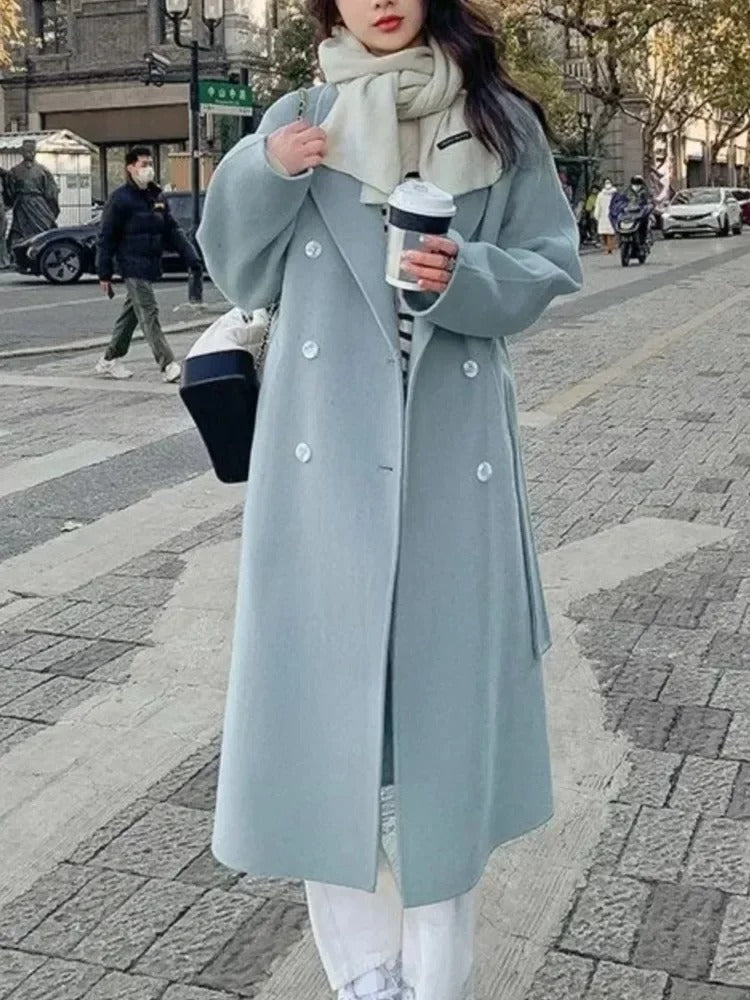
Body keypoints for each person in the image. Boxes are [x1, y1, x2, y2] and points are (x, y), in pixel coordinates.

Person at [197, 0, 582, 997]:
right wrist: (265, 169)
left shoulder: (500, 118)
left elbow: (550, 261)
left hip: (452, 463)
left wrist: (464, 274)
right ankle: (366, 976)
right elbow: (237, 271)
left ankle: (437, 977)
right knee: (325, 741)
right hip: (325, 466)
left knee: (443, 753)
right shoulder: (301, 114)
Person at [95, 146, 201, 382]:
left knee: (133, 313)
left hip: (149, 263)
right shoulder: (120, 199)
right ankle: (167, 364)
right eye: (143, 164)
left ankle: (109, 358)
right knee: (148, 310)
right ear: (130, 168)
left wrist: (190, 256)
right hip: (131, 264)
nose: (149, 169)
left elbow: (172, 230)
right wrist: (104, 273)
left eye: (150, 164)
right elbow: (106, 236)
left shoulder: (156, 197)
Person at [4, 140, 59, 251]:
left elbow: (51, 193)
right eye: (26, 151)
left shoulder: (43, 171)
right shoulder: (14, 171)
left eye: (31, 151)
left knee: (45, 230)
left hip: (39, 207)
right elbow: (9, 191)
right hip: (22, 207)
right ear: (22, 152)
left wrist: (51, 210)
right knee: (18, 232)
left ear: (35, 152)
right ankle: (15, 254)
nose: (29, 153)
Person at [594, 178, 617, 253]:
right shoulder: (602, 195)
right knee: (609, 233)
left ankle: (609, 247)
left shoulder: (603, 194)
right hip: (608, 215)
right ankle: (610, 247)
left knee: (607, 233)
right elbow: (598, 205)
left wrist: (596, 215)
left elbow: (598, 206)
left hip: (606, 216)